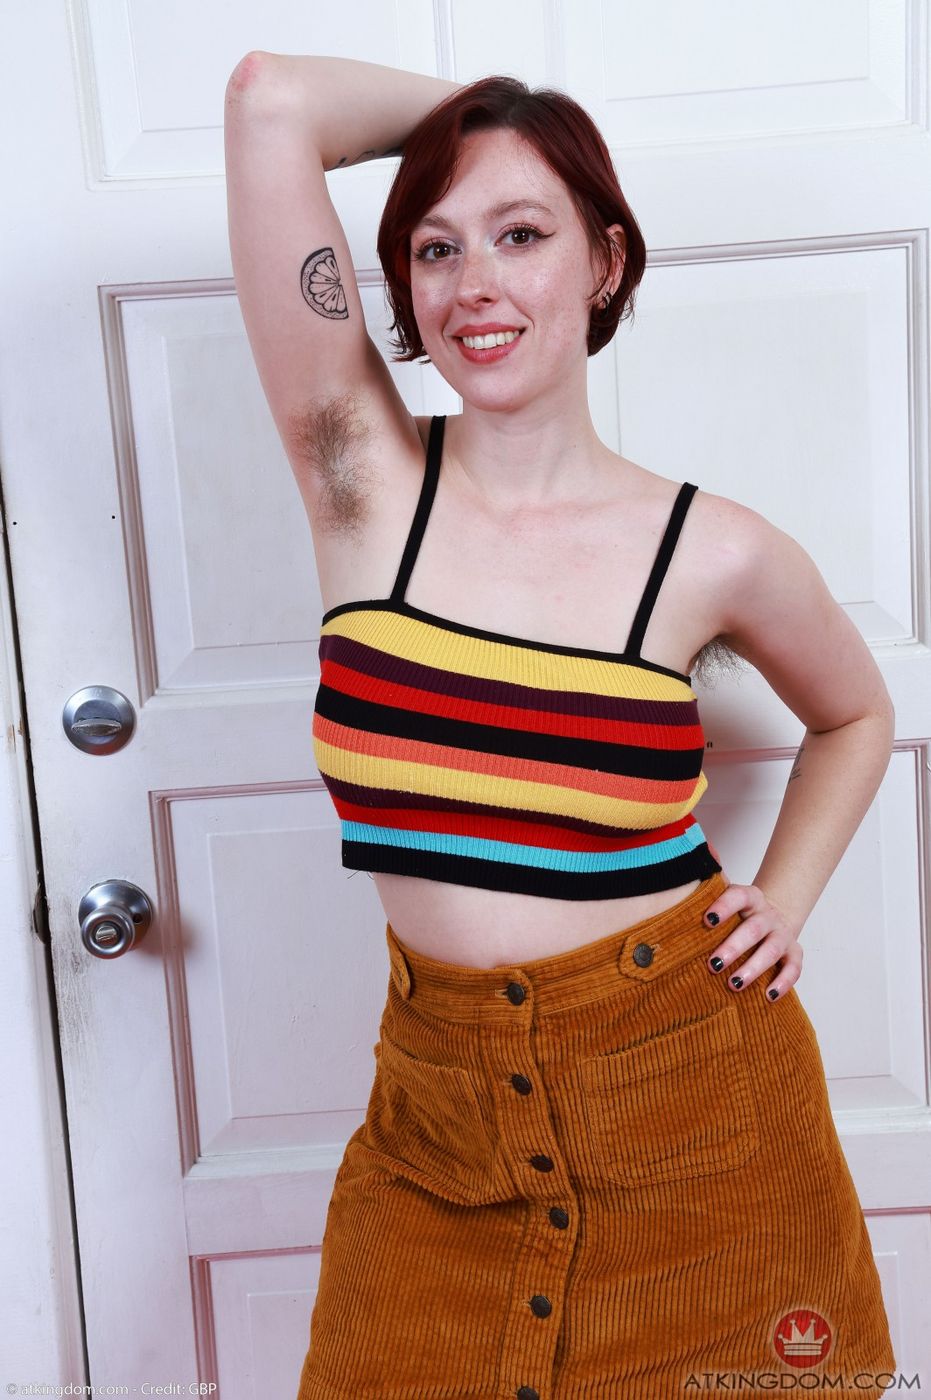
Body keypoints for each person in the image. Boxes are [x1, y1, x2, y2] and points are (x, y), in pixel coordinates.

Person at [224, 52, 898, 1400]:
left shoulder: (715, 551)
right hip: (438, 1133)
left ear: (605, 260)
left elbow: (857, 714)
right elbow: (267, 101)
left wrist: (783, 899)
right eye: (436, 247)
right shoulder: (359, 478)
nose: (474, 282)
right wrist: (499, 116)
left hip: (697, 1116)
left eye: (523, 234)